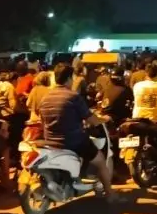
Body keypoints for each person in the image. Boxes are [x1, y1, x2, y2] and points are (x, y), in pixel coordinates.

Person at [39, 63, 122, 203]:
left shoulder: (45, 97)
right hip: (73, 142)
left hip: (50, 142)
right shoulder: (73, 96)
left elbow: (43, 121)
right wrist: (103, 119)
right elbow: (91, 120)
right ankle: (110, 194)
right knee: (101, 161)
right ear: (69, 79)